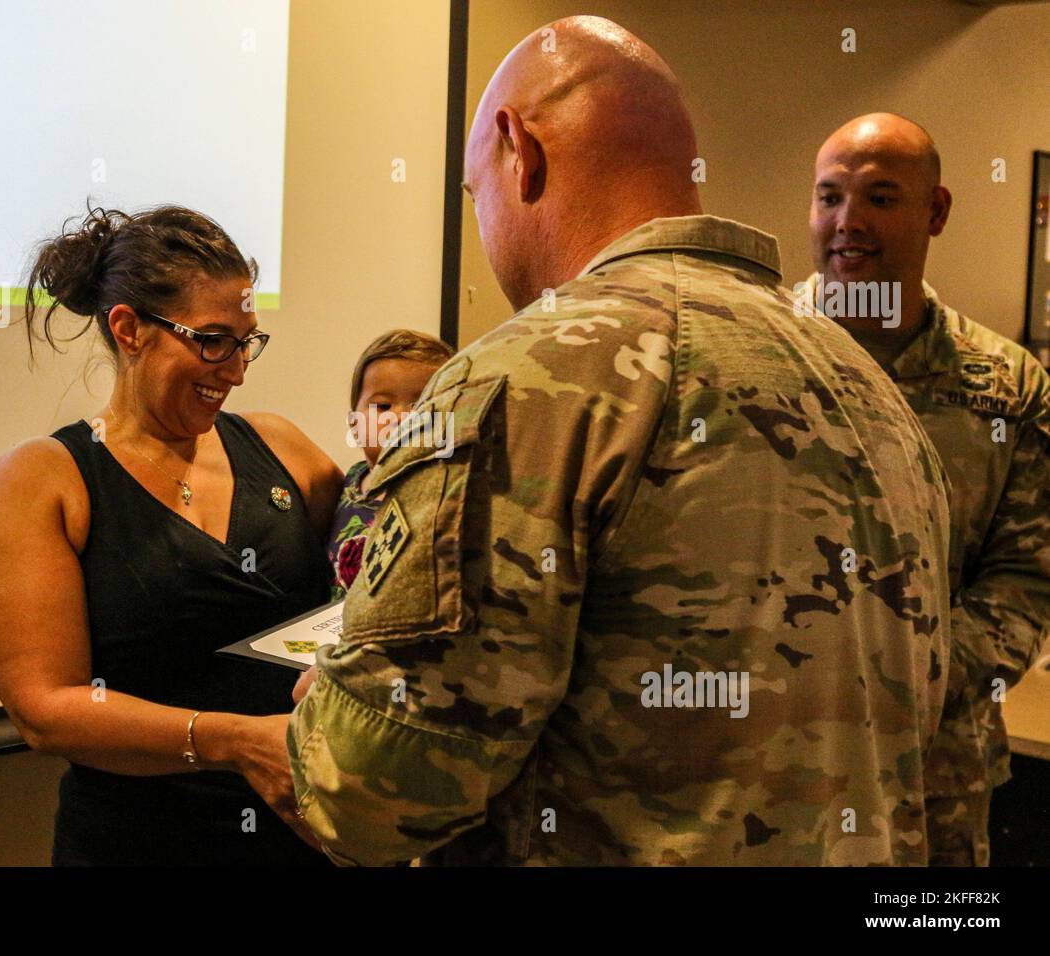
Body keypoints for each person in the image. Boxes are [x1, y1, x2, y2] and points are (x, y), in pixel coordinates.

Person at [279, 16, 952, 866]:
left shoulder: (524, 379)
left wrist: (320, 724)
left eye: (471, 191)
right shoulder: (869, 385)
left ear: (516, 151)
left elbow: (374, 790)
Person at [0, 204, 341, 865]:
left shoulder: (280, 447)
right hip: (137, 846)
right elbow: (45, 710)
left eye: (248, 341)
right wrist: (237, 741)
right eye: (213, 340)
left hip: (303, 844)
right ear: (129, 329)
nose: (236, 369)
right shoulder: (45, 480)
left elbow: (372, 575)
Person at [804, 113, 1050, 866]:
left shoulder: (1005, 385)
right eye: (828, 197)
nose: (848, 224)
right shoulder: (751, 358)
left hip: (934, 775)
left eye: (880, 198)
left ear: (935, 211)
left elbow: (1027, 574)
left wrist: (915, 681)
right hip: (770, 771)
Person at [328, 329, 454, 601]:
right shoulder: (349, 483)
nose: (401, 418)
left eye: (421, 405)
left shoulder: (447, 491)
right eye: (382, 406)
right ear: (354, 423)